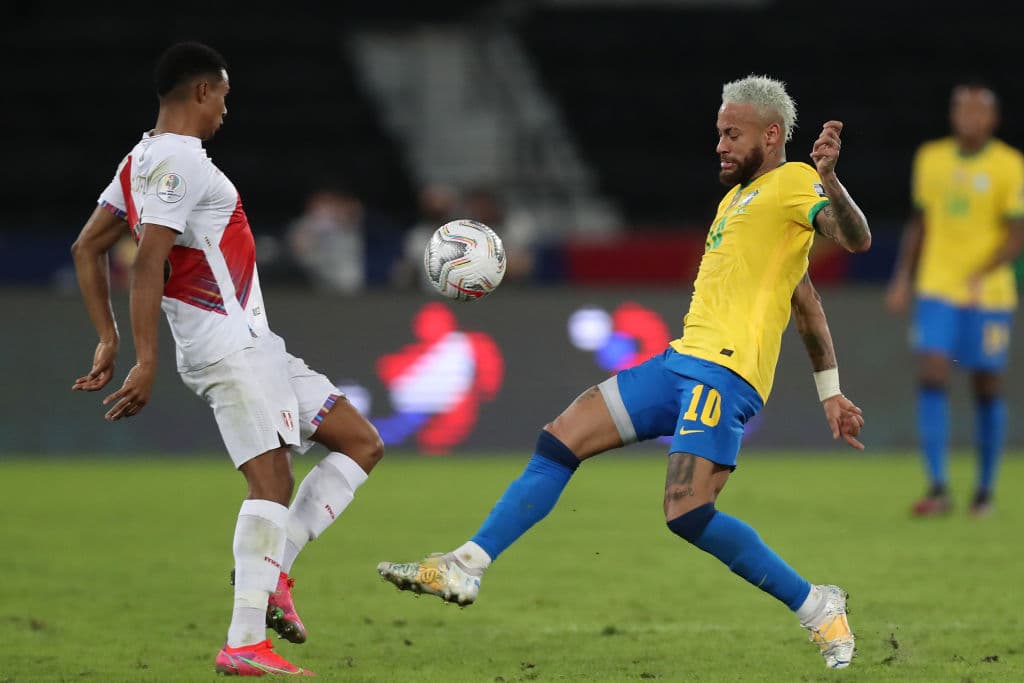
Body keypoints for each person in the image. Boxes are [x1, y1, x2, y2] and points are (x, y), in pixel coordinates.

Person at [378, 75, 872, 670]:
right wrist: (831, 390)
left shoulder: (796, 184)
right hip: (679, 363)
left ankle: (818, 607)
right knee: (560, 439)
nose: (719, 144)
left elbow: (855, 238)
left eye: (731, 134)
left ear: (771, 135)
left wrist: (831, 181)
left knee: (687, 514)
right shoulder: (736, 202)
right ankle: (465, 565)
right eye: (718, 132)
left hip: (723, 376)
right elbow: (806, 303)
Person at [70, 42, 384, 676]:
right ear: (203, 93)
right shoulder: (178, 162)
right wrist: (144, 358)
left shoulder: (140, 161)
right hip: (226, 348)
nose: (226, 114)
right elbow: (148, 259)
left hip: (258, 346)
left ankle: (274, 576)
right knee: (270, 483)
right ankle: (243, 642)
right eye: (225, 99)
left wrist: (107, 337)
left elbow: (86, 247)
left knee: (360, 442)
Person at [886, 83, 1024, 517]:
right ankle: (939, 486)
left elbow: (1016, 233)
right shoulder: (930, 158)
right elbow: (920, 223)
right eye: (960, 107)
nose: (967, 115)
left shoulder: (1010, 164)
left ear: (993, 119)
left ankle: (984, 490)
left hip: (990, 293)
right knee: (932, 372)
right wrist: (903, 277)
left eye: (977, 109)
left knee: (986, 384)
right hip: (937, 287)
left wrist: (982, 272)